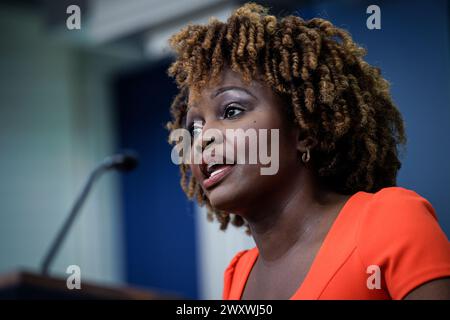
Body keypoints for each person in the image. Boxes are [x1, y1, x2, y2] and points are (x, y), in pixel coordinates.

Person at [166, 3, 450, 299]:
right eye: (194, 129)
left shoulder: (388, 220)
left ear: (303, 131)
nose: (202, 140)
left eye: (232, 110)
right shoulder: (238, 275)